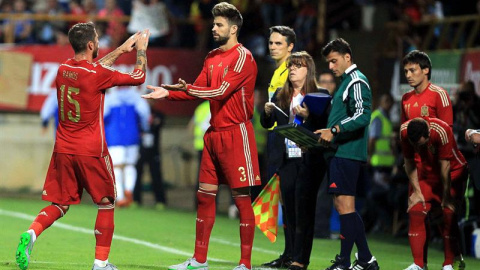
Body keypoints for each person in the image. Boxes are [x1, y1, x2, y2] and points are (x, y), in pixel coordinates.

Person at [14, 22, 149, 270]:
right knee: (107, 202)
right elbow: (138, 77)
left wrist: (120, 50)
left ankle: (31, 233)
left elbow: (93, 68)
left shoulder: (63, 69)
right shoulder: (98, 75)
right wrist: (141, 50)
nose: (98, 43)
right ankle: (101, 264)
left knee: (60, 204)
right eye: (96, 40)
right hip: (91, 150)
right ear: (90, 45)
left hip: (63, 149)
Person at [142, 3, 260, 270]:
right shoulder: (211, 57)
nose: (214, 28)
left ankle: (244, 264)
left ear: (233, 28)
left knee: (241, 200)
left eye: (219, 25)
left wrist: (189, 90)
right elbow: (197, 89)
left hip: (236, 134)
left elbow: (217, 92)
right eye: (214, 24)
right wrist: (168, 93)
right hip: (214, 135)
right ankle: (199, 260)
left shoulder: (244, 58)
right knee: (205, 196)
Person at [262, 51, 329, 270]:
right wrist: (266, 112)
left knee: (304, 210)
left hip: (309, 158)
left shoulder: (320, 94)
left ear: (308, 70)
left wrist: (308, 117)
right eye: (291, 66)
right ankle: (289, 254)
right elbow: (266, 123)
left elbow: (325, 124)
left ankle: (301, 259)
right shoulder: (281, 94)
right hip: (287, 159)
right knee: (289, 209)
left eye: (297, 66)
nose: (292, 70)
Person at [317, 38, 379, 270]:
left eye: (334, 61)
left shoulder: (356, 81)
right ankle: (365, 259)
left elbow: (363, 115)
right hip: (341, 152)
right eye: (329, 62)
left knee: (345, 207)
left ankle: (344, 261)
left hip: (348, 152)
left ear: (347, 57)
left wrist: (334, 130)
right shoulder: (345, 82)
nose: (331, 67)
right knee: (344, 207)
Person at [401, 117, 468, 270]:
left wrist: (445, 198)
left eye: (420, 145)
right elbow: (409, 161)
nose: (417, 149)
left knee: (447, 213)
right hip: (427, 175)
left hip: (453, 172)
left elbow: (445, 166)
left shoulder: (442, 131)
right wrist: (417, 192)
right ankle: (419, 265)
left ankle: (448, 264)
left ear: (428, 134)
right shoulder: (404, 132)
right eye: (414, 145)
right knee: (416, 209)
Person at [261, 25, 296, 269]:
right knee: (283, 196)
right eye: (271, 43)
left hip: (288, 139)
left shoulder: (293, 70)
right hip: (276, 137)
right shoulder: (277, 72)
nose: (273, 47)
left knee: (291, 196)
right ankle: (288, 253)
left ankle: (295, 255)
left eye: (278, 44)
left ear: (290, 47)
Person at [104, 86, 151, 207]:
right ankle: (129, 189)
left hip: (114, 136)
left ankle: (120, 196)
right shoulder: (137, 97)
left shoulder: (110, 98)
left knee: (117, 167)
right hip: (132, 135)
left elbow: (102, 115)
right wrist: (145, 129)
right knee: (130, 165)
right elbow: (145, 115)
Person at [364, 93, 395, 233]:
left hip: (385, 164)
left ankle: (379, 224)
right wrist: (370, 156)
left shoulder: (385, 118)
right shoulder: (378, 117)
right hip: (377, 163)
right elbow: (372, 140)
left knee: (381, 196)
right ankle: (375, 224)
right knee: (376, 196)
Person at [401, 50, 453, 126]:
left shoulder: (439, 94)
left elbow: (447, 132)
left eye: (412, 70)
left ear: (426, 70)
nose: (408, 75)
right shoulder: (406, 98)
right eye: (406, 71)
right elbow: (403, 130)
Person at [314, 70, 336, 239]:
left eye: (329, 82)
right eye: (323, 81)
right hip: (313, 152)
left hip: (330, 154)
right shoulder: (313, 103)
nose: (326, 85)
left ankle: (321, 229)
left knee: (324, 194)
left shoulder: (337, 105)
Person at [134, 101, 167, 209]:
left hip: (153, 151)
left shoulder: (158, 114)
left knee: (156, 175)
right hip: (140, 149)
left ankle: (160, 201)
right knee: (137, 175)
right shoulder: (138, 114)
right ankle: (135, 200)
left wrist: (147, 126)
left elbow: (157, 125)